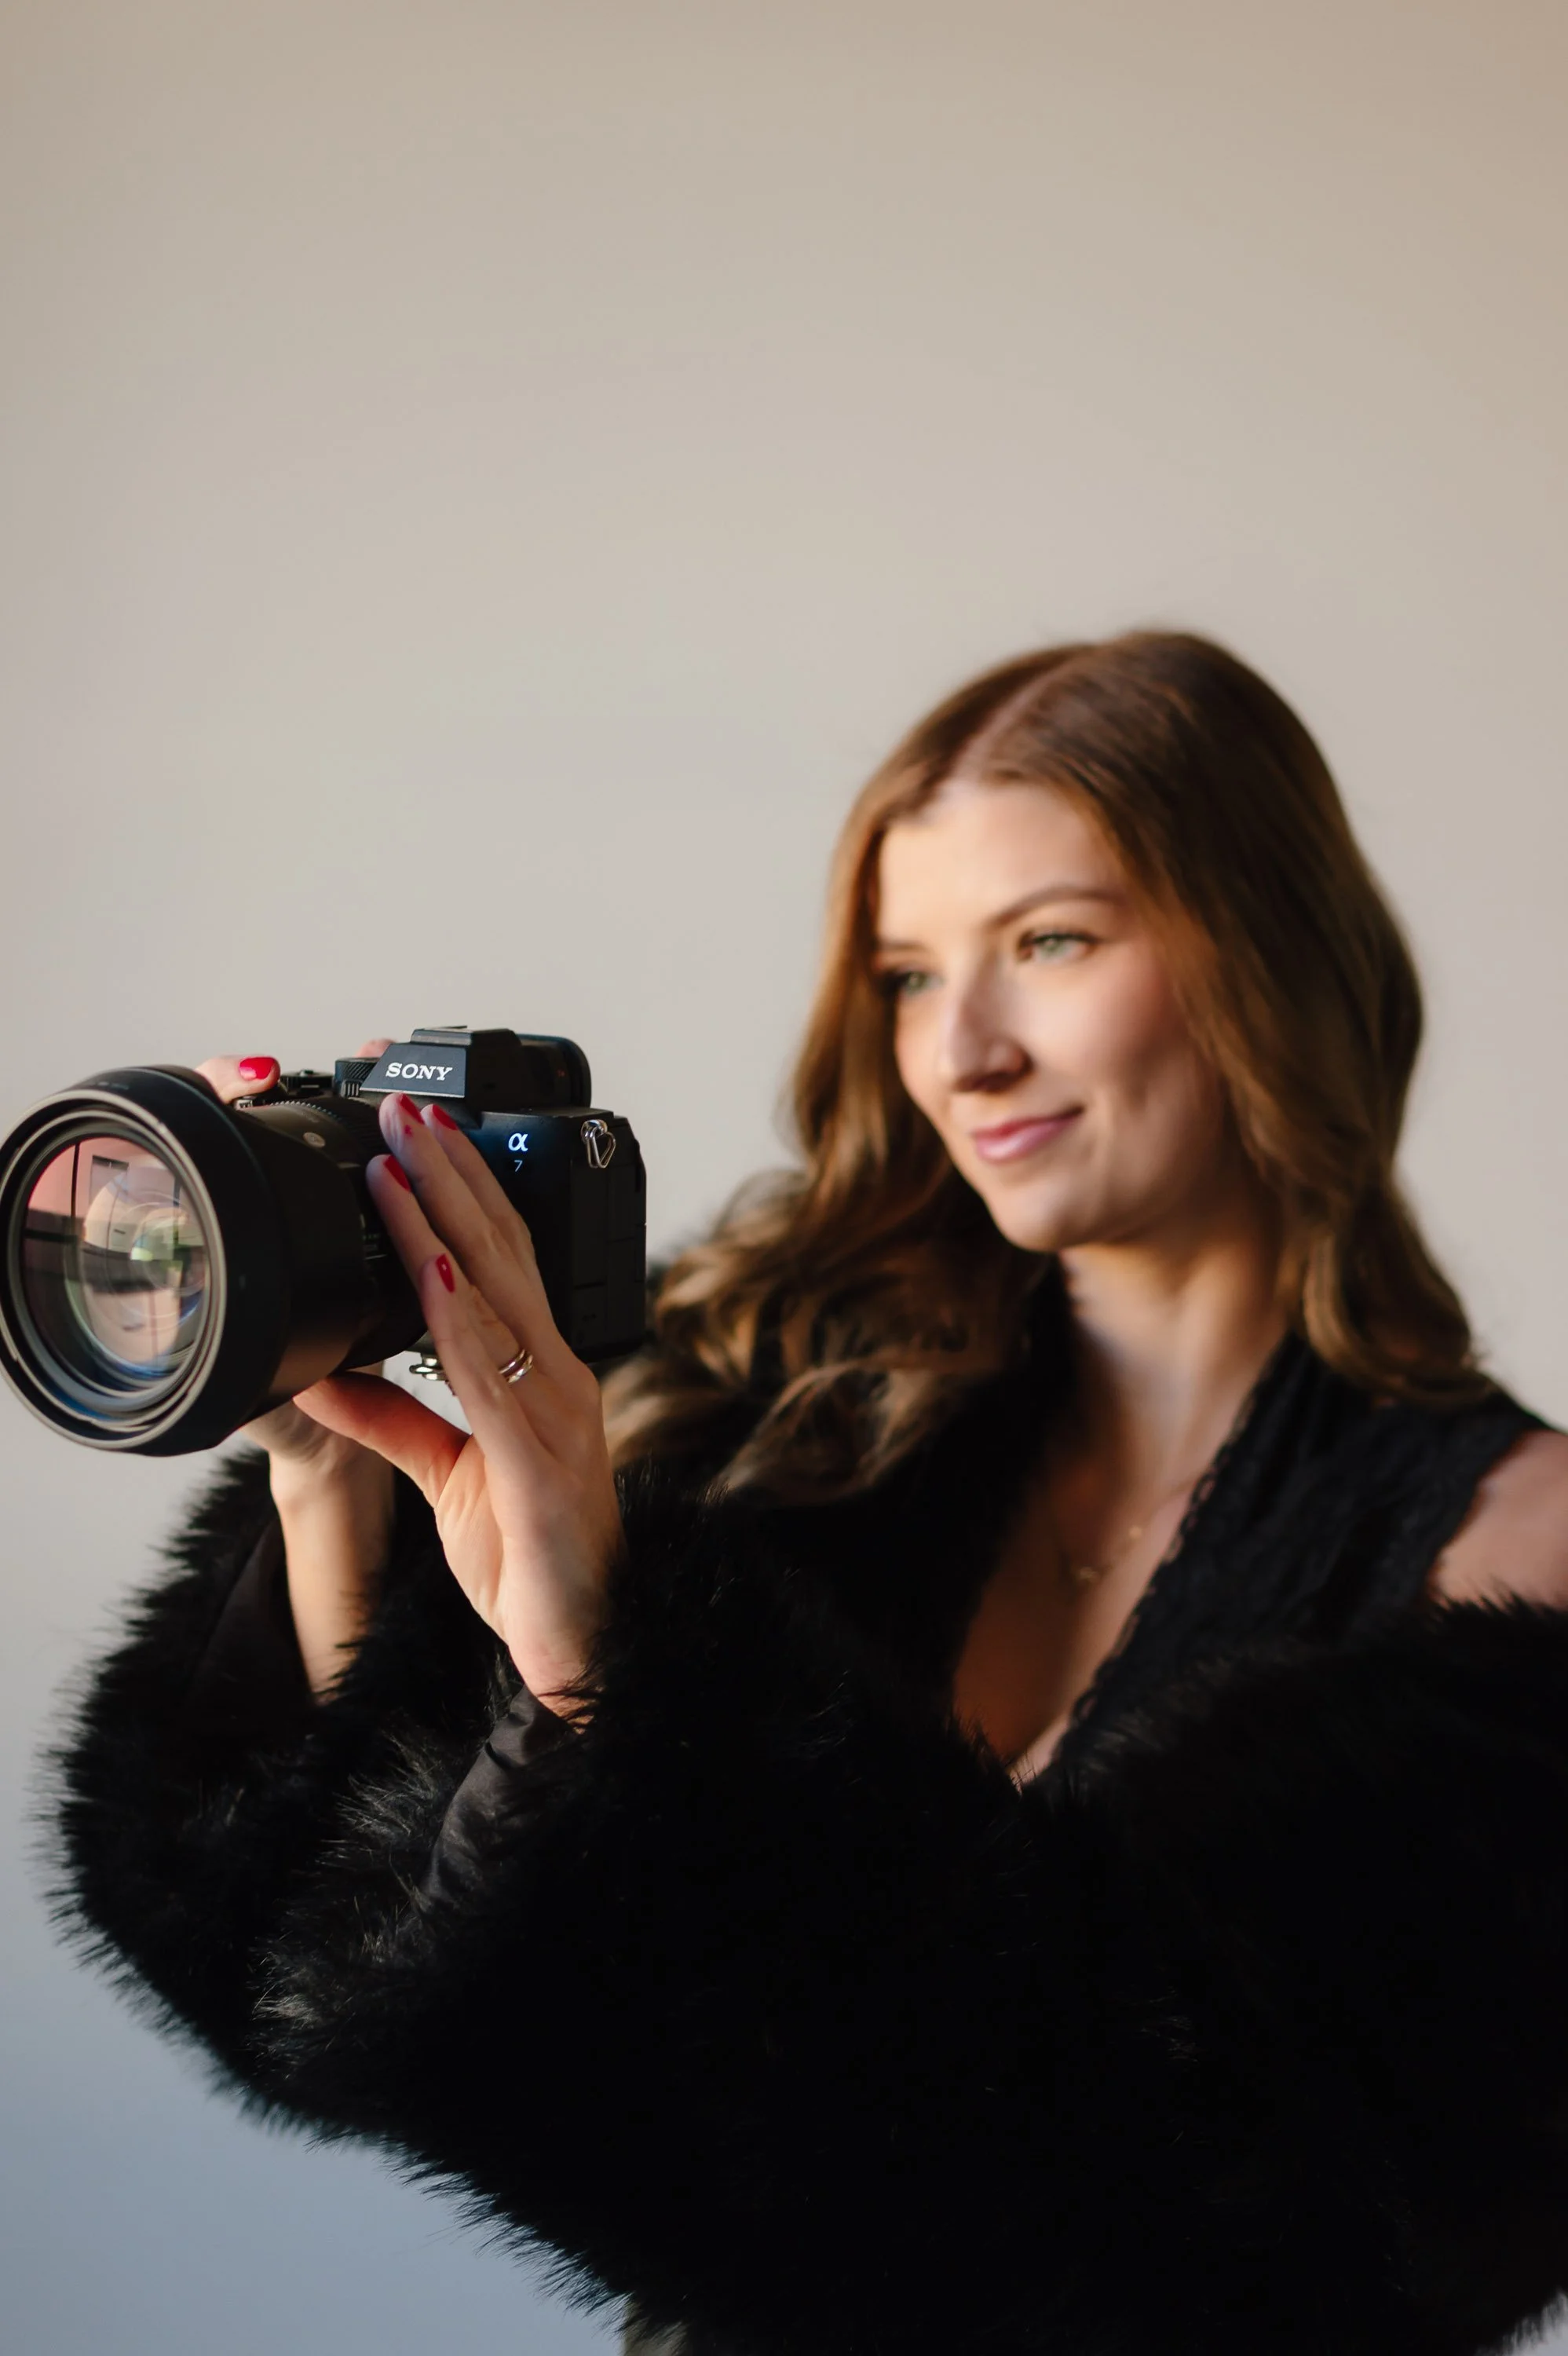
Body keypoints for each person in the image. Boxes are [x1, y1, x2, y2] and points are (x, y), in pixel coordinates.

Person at [49, 632, 1568, 2356]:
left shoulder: (1518, 1562)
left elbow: (1212, 2252)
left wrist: (626, 1655)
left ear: (1272, 956)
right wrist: (328, 1479)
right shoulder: (779, 1418)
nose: (963, 1051)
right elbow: (346, 2001)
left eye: (1050, 942)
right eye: (909, 975)